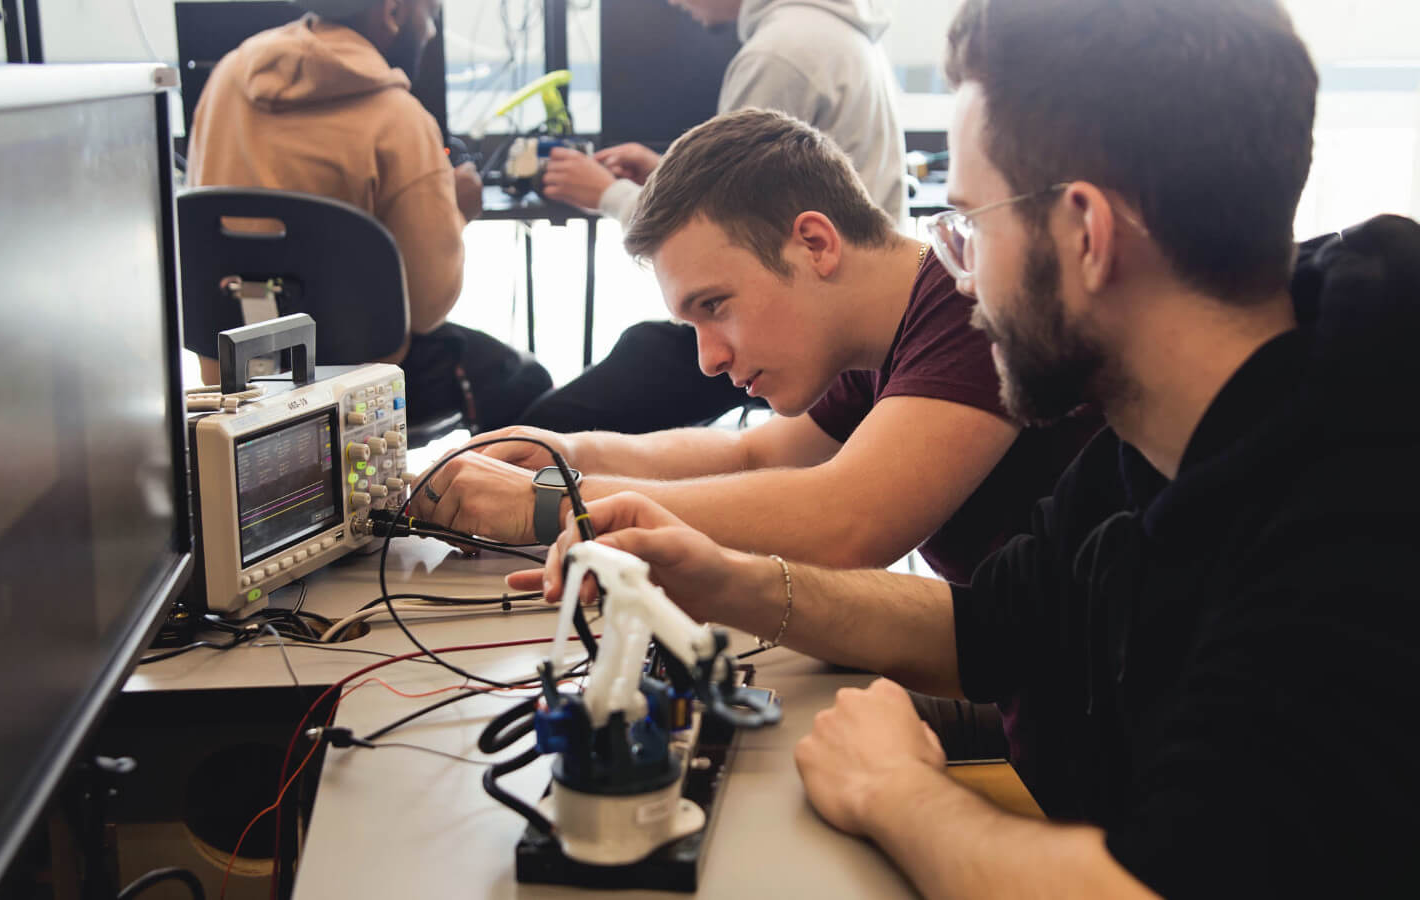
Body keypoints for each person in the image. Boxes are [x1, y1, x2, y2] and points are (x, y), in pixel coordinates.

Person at [519, 0, 1420, 894]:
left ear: (1087, 235)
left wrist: (896, 792)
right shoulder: (1158, 433)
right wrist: (723, 578)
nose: (958, 276)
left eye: (970, 227)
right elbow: (987, 627)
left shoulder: (1353, 501)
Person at [415, 109, 1099, 589]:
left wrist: (557, 504)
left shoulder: (966, 301)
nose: (709, 358)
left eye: (714, 306)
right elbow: (753, 454)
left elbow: (847, 520)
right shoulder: (878, 337)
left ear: (815, 243)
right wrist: (570, 452)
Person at [519, 0, 908, 433]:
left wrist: (607, 193)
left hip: (800, 290)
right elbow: (741, 199)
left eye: (714, 305)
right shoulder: (831, 31)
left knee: (553, 424)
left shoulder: (776, 54)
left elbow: (719, 235)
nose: (672, 3)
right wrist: (666, 174)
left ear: (816, 242)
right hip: (804, 282)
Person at [186, 0, 550, 430]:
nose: (431, 32)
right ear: (392, 11)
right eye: (429, 15)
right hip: (360, 386)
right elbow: (428, 308)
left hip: (238, 375)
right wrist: (456, 209)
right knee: (527, 381)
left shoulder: (227, 78)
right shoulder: (399, 119)